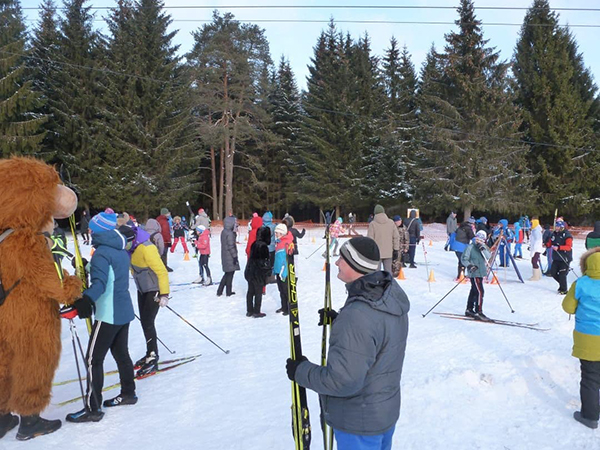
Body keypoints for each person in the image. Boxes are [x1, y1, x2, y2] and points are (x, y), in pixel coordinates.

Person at [285, 236, 410, 450]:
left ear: (355, 265)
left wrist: (301, 371)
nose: (336, 263)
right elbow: (377, 336)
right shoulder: (387, 298)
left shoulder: (358, 315)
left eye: (341, 258)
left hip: (359, 423)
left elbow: (343, 381)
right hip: (382, 413)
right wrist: (339, 321)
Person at [67, 213, 136, 423]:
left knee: (92, 360)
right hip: (123, 311)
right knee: (121, 354)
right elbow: (109, 273)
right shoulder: (119, 249)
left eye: (91, 228)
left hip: (108, 314)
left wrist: (85, 301)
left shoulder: (102, 253)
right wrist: (87, 266)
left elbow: (100, 284)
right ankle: (128, 393)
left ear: (98, 231)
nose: (89, 231)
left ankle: (92, 408)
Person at [562, 247, 600, 429]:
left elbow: (568, 307)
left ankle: (590, 416)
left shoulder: (581, 283)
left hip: (588, 339)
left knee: (590, 377)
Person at [124, 224, 170, 378]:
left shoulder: (146, 247)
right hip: (142, 288)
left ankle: (153, 356)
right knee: (144, 322)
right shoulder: (131, 248)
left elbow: (162, 271)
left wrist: (164, 294)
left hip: (154, 289)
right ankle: (149, 352)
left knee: (148, 322)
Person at [461, 230, 492, 321]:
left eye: (482, 240)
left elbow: (488, 256)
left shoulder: (483, 246)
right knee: (480, 291)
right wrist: (470, 265)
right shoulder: (470, 247)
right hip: (474, 273)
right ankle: (479, 311)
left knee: (474, 291)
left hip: (481, 272)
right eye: (478, 239)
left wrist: (482, 248)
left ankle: (469, 309)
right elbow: (464, 259)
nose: (480, 241)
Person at [244, 225, 271, 318]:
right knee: (258, 292)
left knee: (250, 291)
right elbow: (264, 262)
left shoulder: (254, 244)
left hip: (250, 271)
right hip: (258, 273)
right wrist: (268, 272)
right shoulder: (263, 246)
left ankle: (249, 310)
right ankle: (256, 311)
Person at [367, 205, 400, 273]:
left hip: (376, 253)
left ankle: (377, 283)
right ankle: (389, 283)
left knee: (376, 273)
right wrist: (396, 249)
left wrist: (370, 251)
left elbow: (370, 239)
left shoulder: (372, 224)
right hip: (388, 252)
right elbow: (396, 237)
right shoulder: (391, 223)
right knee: (388, 272)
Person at [545, 219, 573, 295]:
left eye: (558, 227)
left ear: (562, 227)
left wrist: (559, 247)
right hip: (556, 257)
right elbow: (550, 243)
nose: (556, 228)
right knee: (553, 273)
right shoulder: (553, 234)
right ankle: (562, 285)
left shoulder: (567, 235)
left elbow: (568, 247)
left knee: (562, 274)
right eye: (556, 226)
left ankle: (564, 289)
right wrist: (546, 244)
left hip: (565, 258)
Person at [273, 224, 294, 315]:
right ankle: (283, 306)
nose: (276, 234)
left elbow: (288, 258)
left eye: (277, 232)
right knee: (281, 290)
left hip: (283, 272)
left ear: (282, 233)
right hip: (278, 270)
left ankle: (289, 308)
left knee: (286, 290)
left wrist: (284, 271)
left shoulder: (287, 242)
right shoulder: (278, 241)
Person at [217, 215, 239, 297]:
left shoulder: (224, 231)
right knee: (230, 274)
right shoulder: (229, 234)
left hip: (225, 255)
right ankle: (228, 291)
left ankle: (220, 290)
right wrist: (234, 256)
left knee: (227, 273)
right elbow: (231, 246)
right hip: (229, 256)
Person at [528, 217, 544, 281]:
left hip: (536, 249)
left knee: (534, 261)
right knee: (534, 261)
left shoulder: (536, 231)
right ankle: (538, 275)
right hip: (535, 248)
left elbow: (537, 241)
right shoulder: (534, 230)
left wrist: (533, 250)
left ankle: (536, 276)